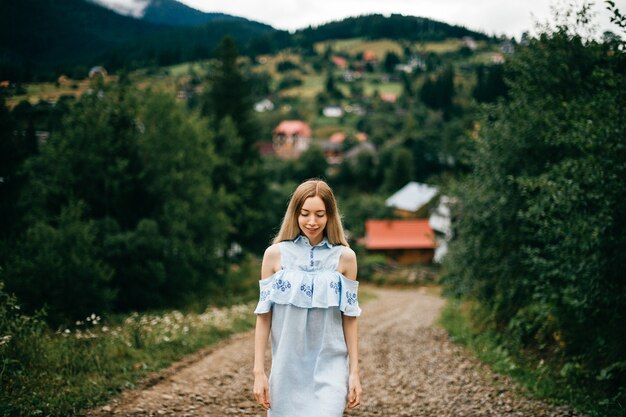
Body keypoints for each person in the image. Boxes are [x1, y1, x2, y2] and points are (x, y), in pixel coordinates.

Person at [253, 179, 362, 416]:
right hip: (286, 369)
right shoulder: (274, 256)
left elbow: (350, 318)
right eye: (305, 214)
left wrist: (354, 372)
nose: (312, 222)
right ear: (295, 214)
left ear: (330, 216)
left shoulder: (346, 258)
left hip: (331, 366)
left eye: (320, 214)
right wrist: (259, 372)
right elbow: (263, 316)